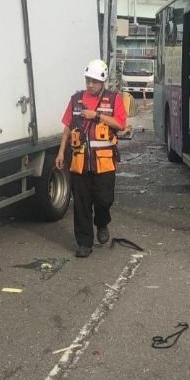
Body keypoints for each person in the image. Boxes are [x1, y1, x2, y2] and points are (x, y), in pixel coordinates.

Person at [56, 59, 127, 258]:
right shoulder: (76, 99)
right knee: (81, 204)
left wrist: (96, 116)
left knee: (104, 200)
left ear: (103, 81)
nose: (90, 85)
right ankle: (84, 243)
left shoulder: (114, 99)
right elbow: (67, 127)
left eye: (94, 81)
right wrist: (61, 152)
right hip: (79, 162)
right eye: (88, 80)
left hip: (104, 162)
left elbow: (120, 125)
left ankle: (102, 222)